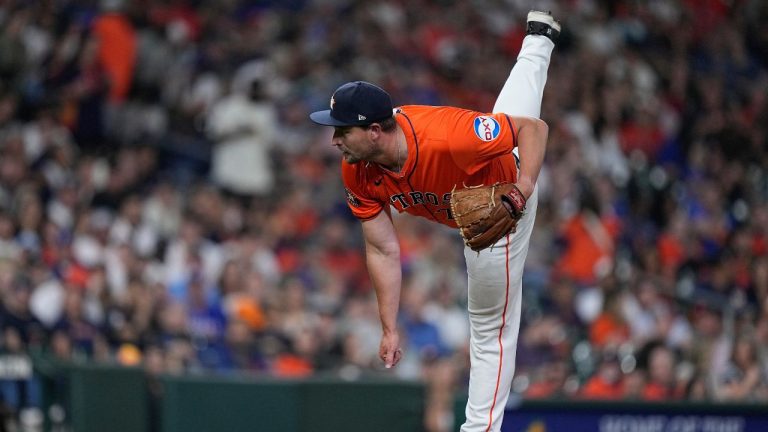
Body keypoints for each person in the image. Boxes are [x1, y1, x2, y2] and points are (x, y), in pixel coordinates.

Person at [310, 10, 560, 432]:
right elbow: (382, 247)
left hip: (503, 202)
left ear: (373, 131)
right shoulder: (357, 165)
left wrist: (523, 188)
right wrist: (389, 328)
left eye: (341, 130)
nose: (333, 139)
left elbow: (533, 130)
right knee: (508, 113)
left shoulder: (447, 136)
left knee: (489, 328)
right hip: (481, 181)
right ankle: (539, 38)